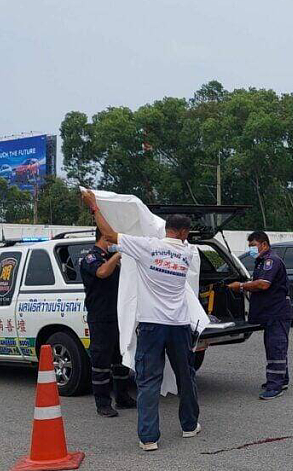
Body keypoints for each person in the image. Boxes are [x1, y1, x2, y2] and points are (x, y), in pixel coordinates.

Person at [82, 189, 201, 452]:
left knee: (148, 381)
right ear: (183, 233)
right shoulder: (188, 252)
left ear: (167, 229)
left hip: (151, 325)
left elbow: (110, 235)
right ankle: (189, 425)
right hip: (179, 325)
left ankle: (149, 438)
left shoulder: (148, 247)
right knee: (186, 376)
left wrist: (94, 206)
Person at [228, 231, 292, 400]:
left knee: (276, 347)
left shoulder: (271, 261)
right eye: (249, 246)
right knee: (275, 346)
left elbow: (263, 285)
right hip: (271, 312)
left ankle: (274, 385)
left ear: (264, 244)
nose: (251, 249)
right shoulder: (261, 261)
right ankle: (281, 379)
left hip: (277, 313)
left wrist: (241, 286)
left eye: (253, 246)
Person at [79, 228, 136, 418]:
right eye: (111, 237)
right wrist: (118, 254)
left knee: (120, 359)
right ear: (104, 237)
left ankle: (122, 397)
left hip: (118, 316)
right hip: (100, 317)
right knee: (101, 361)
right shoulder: (91, 258)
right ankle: (102, 403)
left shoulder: (112, 257)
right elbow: (102, 272)